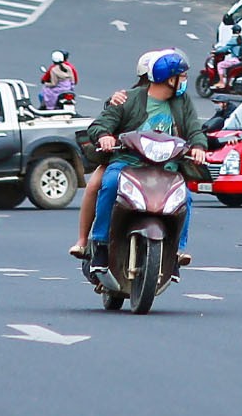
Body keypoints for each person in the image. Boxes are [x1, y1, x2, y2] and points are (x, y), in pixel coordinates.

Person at [75, 50, 209, 281]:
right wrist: (105, 136)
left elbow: (195, 129)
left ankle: (176, 251)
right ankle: (101, 245)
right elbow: (100, 125)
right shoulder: (128, 98)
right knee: (108, 184)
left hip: (167, 168)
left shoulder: (182, 102)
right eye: (183, 76)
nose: (186, 81)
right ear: (170, 78)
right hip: (127, 164)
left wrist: (198, 147)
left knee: (185, 196)